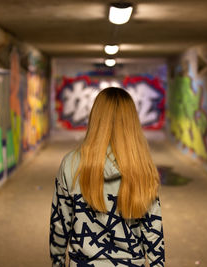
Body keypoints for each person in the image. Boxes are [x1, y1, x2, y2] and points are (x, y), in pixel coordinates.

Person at [50, 87, 165, 267]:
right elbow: (152, 230)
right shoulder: (143, 166)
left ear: (95, 119)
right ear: (132, 122)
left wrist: (57, 263)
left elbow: (60, 225)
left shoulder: (71, 164)